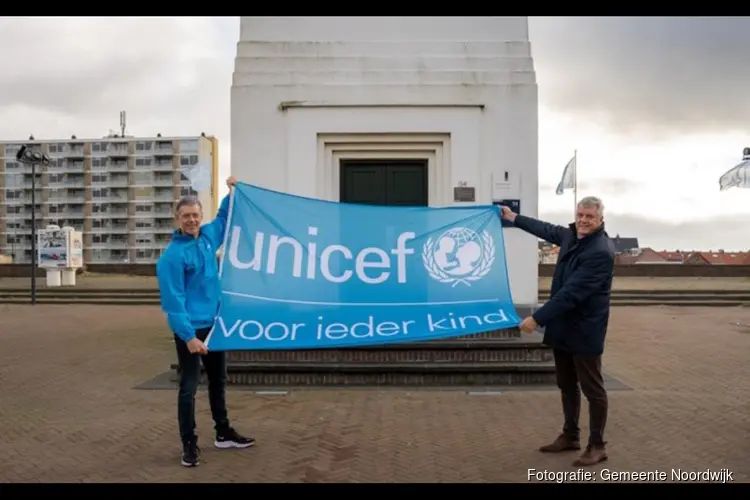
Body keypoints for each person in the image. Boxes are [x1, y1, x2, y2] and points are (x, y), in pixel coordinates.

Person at [499, 196, 615, 467]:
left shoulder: (600, 251)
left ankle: (597, 445)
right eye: (581, 214)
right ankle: (571, 435)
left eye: (590, 216)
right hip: (564, 326)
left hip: (585, 328)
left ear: (600, 220)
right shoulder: (571, 236)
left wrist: (536, 319)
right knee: (566, 384)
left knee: (593, 388)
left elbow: (571, 294)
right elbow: (546, 230)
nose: (584, 220)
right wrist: (513, 218)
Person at [157, 176, 255, 467]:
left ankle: (223, 433)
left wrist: (232, 191)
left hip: (214, 326)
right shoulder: (171, 258)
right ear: (177, 218)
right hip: (191, 330)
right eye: (186, 216)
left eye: (196, 215)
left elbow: (225, 218)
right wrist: (189, 337)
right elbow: (173, 304)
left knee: (218, 381)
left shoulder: (209, 236)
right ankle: (189, 443)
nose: (192, 220)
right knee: (188, 387)